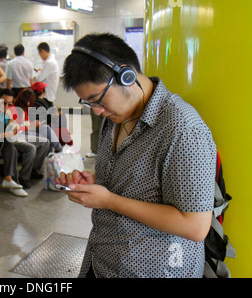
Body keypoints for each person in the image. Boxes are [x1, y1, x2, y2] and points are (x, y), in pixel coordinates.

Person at [57, 33, 216, 278]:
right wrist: (94, 180)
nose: (98, 112)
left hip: (154, 269)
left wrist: (109, 200)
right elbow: (135, 176)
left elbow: (195, 226)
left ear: (126, 76)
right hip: (102, 260)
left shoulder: (182, 129)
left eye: (98, 100)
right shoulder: (116, 116)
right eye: (89, 104)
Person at [0, 88, 45, 196]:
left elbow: (8, 131)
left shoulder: (5, 112)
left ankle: (16, 179)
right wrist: (4, 134)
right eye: (4, 102)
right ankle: (11, 180)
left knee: (27, 148)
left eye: (9, 104)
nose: (6, 106)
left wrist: (10, 122)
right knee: (10, 144)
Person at [32, 81, 73, 146]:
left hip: (44, 126)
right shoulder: (41, 103)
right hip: (44, 127)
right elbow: (45, 119)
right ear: (43, 92)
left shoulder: (36, 102)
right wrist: (54, 115)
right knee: (63, 127)